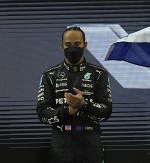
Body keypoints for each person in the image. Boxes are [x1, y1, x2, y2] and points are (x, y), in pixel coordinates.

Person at [37, 26, 112, 163]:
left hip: (90, 142)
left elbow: (106, 111)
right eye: (68, 44)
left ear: (85, 45)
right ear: (62, 46)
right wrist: (68, 111)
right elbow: (42, 113)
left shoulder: (99, 74)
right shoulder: (49, 75)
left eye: (77, 44)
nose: (73, 48)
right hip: (61, 143)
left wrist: (83, 105)